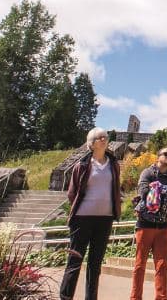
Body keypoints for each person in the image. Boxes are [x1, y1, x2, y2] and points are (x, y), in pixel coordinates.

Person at [60, 127, 122, 300]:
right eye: (100, 137)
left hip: (105, 218)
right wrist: (83, 208)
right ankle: (65, 297)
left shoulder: (113, 164)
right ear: (92, 143)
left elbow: (115, 188)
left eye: (106, 137)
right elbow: (72, 193)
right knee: (75, 260)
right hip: (82, 219)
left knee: (95, 264)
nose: (104, 139)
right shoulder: (82, 164)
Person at [130, 147, 167, 300]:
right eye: (166, 154)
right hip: (145, 224)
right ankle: (135, 297)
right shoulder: (148, 173)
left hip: (164, 225)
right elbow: (144, 192)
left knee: (162, 265)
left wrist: (159, 189)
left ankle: (161, 297)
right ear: (158, 156)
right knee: (140, 265)